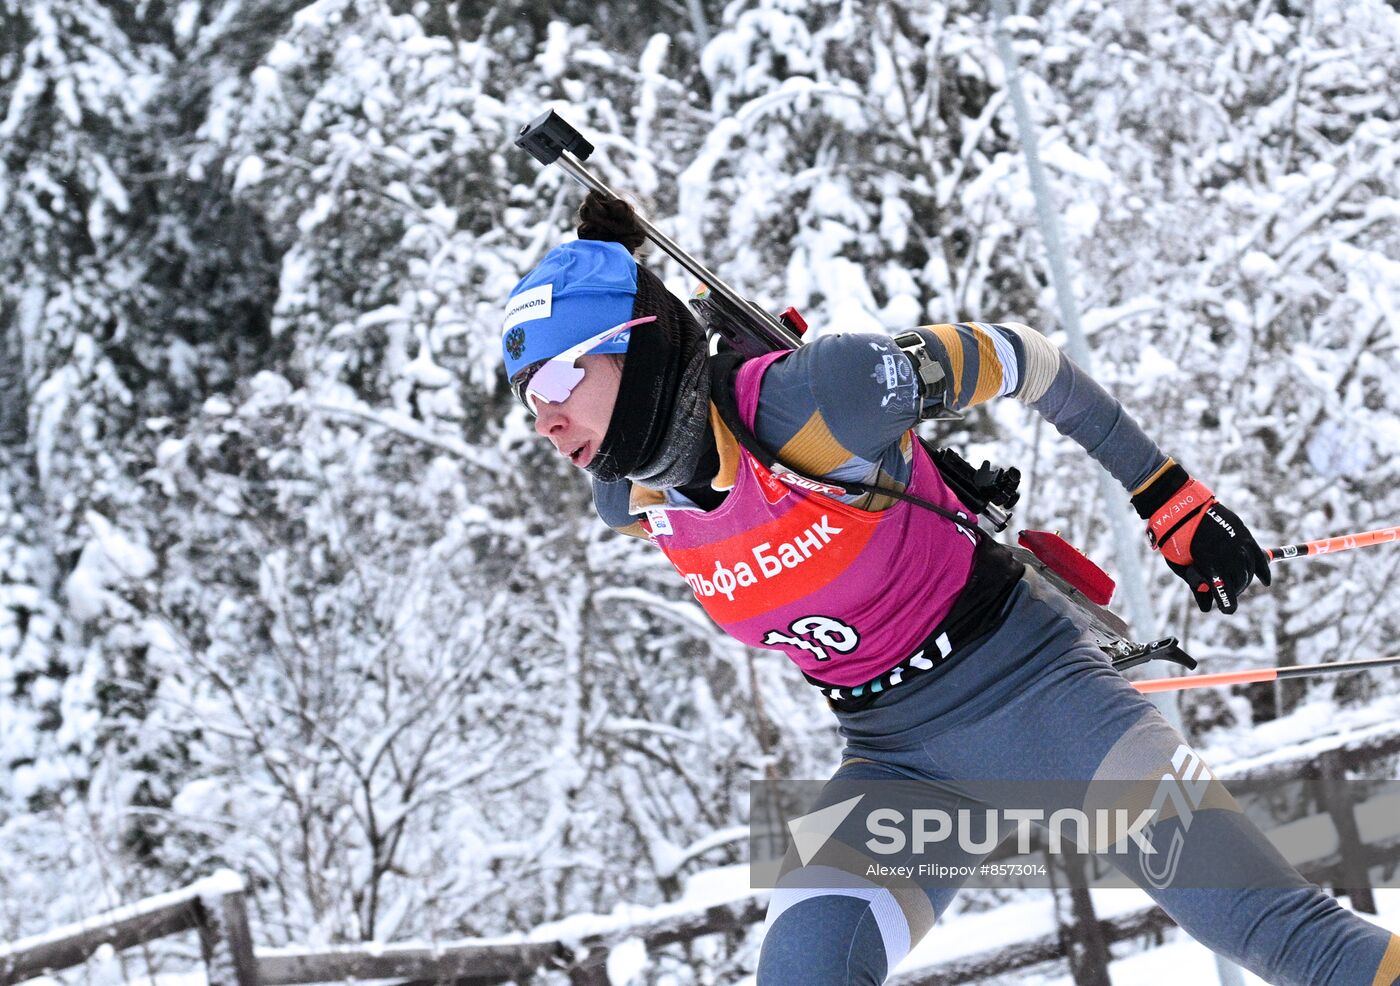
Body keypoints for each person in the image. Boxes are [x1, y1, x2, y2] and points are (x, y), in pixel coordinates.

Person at [501, 192, 1400, 986]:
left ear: (640, 344)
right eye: (524, 395)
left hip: (1045, 703)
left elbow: (1024, 358)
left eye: (556, 375)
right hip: (897, 768)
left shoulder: (823, 399)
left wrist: (1165, 494)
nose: (543, 416)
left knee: (1286, 940)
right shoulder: (630, 496)